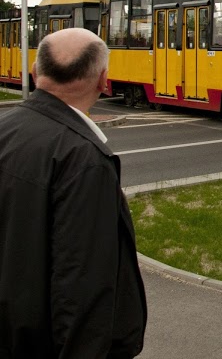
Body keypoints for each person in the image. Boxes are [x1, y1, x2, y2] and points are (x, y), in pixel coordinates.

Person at [0, 27, 147, 357]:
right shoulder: (83, 158)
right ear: (103, 81)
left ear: (35, 74)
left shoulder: (6, 130)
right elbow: (82, 288)